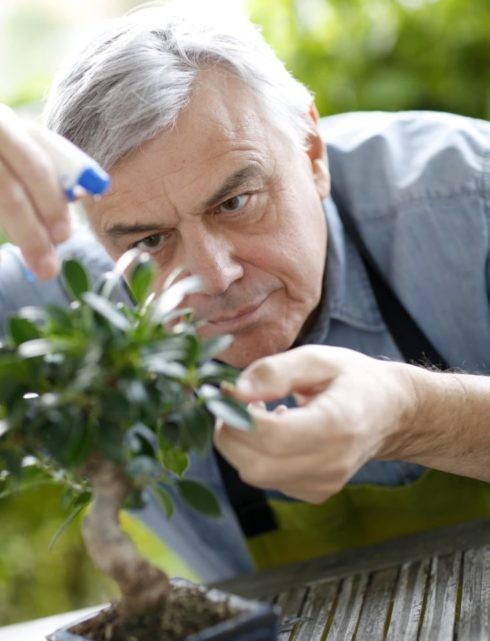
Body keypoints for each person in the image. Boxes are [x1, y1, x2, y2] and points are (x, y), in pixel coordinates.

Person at [0, 3, 488, 580]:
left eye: (235, 203)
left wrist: (416, 414)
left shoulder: (468, 198)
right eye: (151, 240)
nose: (214, 274)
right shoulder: (74, 296)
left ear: (311, 151)